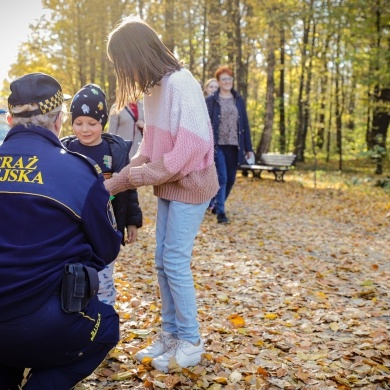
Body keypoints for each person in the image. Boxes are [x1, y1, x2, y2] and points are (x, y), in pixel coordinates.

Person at [105, 16, 219, 373]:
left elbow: (183, 154)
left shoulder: (182, 83)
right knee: (161, 261)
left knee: (174, 260)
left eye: (122, 64)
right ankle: (170, 335)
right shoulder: (154, 90)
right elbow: (148, 150)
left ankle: (191, 339)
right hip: (169, 183)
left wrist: (128, 179)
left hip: (193, 182)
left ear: (137, 54)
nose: (124, 72)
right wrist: (115, 181)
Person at [0, 73, 122, 389]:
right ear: (58, 120)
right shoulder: (79, 171)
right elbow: (106, 249)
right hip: (44, 319)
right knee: (106, 326)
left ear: (11, 119)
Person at [61, 83, 143, 306]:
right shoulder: (65, 150)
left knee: (103, 279)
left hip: (107, 228)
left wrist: (132, 221)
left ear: (102, 123)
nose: (84, 129)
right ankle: (78, 318)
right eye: (78, 123)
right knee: (74, 277)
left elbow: (129, 187)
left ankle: (104, 316)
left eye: (92, 123)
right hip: (74, 229)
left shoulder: (114, 151)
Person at [206, 65, 255, 224]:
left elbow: (245, 125)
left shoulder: (238, 100)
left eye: (229, 79)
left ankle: (216, 204)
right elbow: (205, 124)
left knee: (231, 179)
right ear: (219, 81)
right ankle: (221, 212)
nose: (227, 82)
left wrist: (249, 148)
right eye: (224, 79)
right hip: (217, 145)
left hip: (235, 146)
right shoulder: (211, 100)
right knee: (223, 177)